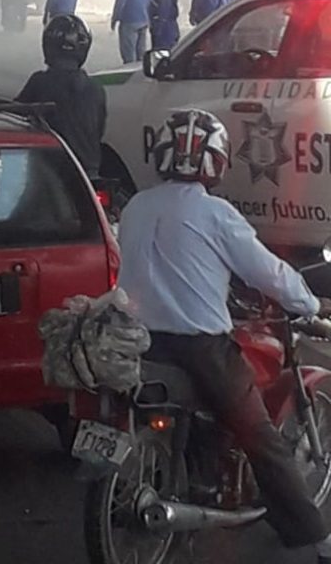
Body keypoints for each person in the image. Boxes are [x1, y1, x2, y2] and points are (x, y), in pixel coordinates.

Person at [118, 108, 331, 561]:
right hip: (201, 351)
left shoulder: (136, 206)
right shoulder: (216, 213)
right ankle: (317, 537)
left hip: (138, 341)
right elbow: (268, 273)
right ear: (216, 160)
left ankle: (203, 480)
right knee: (264, 440)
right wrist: (309, 304)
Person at [17, 14, 106, 177]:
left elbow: (14, 119)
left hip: (51, 172)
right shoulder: (95, 88)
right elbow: (99, 130)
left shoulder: (40, 82)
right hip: (88, 171)